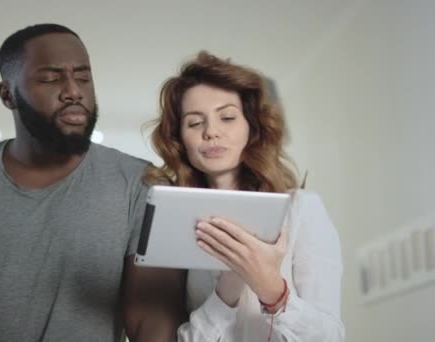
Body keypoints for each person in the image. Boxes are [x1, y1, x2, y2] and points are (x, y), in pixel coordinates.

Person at [0, 23, 185, 342]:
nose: (73, 91)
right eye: (50, 78)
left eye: (83, 77)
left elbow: (150, 318)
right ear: (8, 94)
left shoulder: (138, 183)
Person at [146, 51, 344, 341]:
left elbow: (331, 336)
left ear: (251, 127)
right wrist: (229, 285)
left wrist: (272, 290)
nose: (211, 132)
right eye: (194, 122)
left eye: (227, 117)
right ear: (179, 139)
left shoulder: (302, 209)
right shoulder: (177, 224)